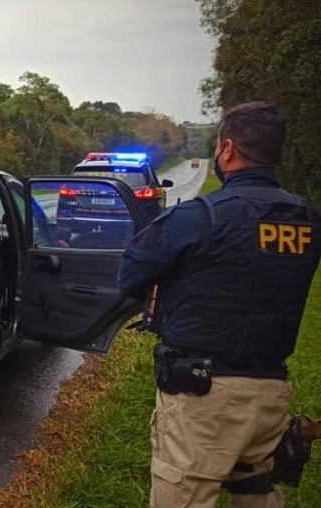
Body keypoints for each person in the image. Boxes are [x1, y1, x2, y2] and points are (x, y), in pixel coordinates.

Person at [118, 101, 321, 508]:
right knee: (256, 493)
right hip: (270, 396)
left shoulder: (200, 217)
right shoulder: (307, 219)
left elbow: (130, 274)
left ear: (227, 150)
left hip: (203, 399)